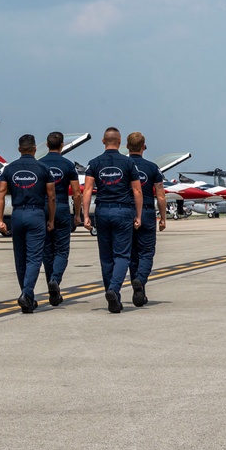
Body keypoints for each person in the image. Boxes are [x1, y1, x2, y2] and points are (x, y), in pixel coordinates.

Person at [82, 127, 142, 314]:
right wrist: (138, 215)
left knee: (106, 258)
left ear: (103, 141)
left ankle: (111, 298)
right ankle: (114, 289)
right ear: (120, 141)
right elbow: (137, 191)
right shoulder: (128, 163)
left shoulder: (94, 163)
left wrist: (85, 215)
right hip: (122, 211)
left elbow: (87, 190)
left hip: (102, 211)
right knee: (122, 255)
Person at [0, 135, 55, 313]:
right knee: (35, 257)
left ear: (19, 149)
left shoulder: (9, 169)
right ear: (35, 149)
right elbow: (51, 197)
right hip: (36, 213)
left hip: (17, 214)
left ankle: (27, 297)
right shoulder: (43, 168)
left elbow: (1, 194)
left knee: (20, 258)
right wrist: (51, 219)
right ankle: (27, 293)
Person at [39, 131, 83, 306]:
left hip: (43, 208)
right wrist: (77, 214)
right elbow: (77, 193)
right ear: (62, 145)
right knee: (62, 250)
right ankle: (55, 280)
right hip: (62, 207)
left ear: (47, 145)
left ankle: (52, 284)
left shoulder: (40, 164)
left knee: (47, 250)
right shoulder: (68, 165)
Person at [126, 131, 167, 307]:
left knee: (132, 254)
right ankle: (140, 280)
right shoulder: (152, 168)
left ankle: (140, 290)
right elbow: (161, 195)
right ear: (144, 147)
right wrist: (163, 218)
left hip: (127, 213)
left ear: (127, 147)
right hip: (148, 213)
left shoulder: (124, 165)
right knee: (147, 252)